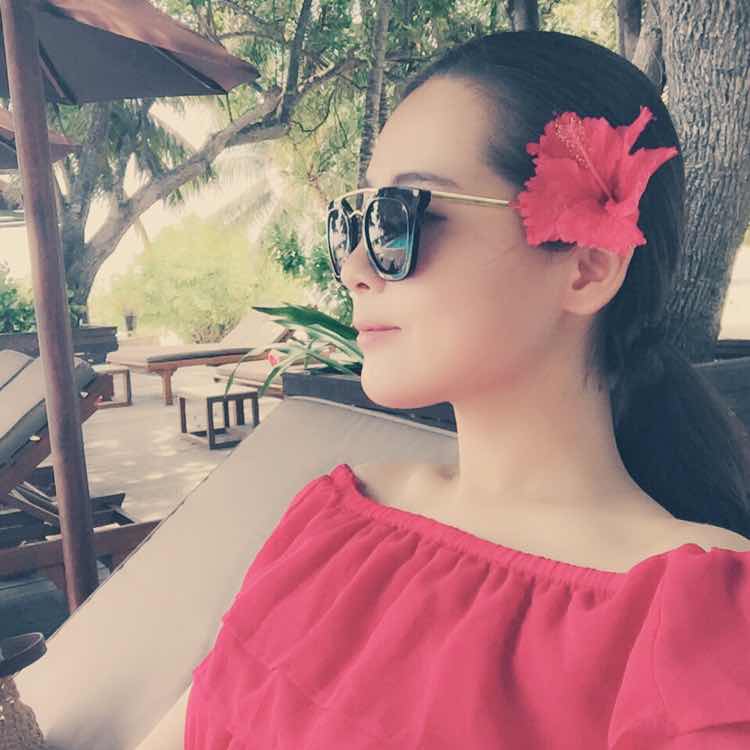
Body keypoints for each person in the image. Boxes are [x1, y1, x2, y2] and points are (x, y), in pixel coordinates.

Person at [176, 30, 750, 749]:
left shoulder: (693, 625)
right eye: (352, 221)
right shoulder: (335, 520)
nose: (354, 267)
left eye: (400, 216)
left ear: (589, 266)